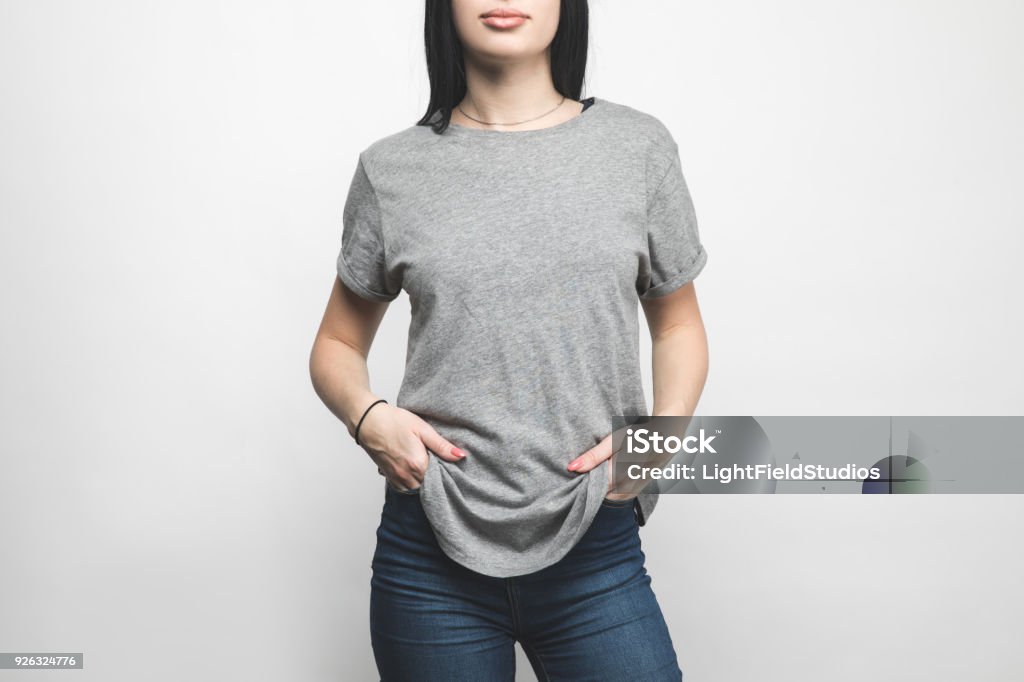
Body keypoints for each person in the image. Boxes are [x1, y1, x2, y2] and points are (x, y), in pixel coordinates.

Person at [309, 1, 709, 679]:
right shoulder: (392, 169)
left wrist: (658, 439)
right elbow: (336, 345)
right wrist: (369, 418)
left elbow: (678, 326)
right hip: (428, 554)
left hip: (595, 543)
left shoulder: (637, 148)